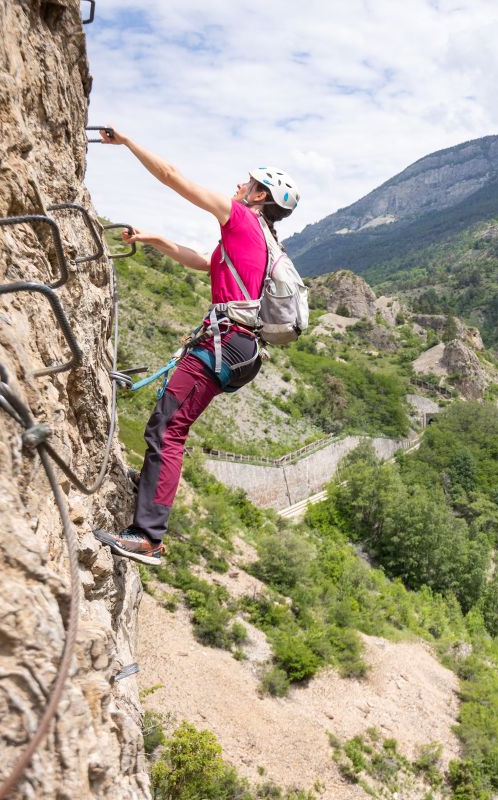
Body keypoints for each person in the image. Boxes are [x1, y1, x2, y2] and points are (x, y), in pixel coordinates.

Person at [93, 128, 299, 565]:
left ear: (260, 195)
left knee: (168, 428)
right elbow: (204, 262)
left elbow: (172, 176)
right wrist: (153, 239)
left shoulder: (240, 217)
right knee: (168, 424)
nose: (239, 185)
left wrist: (129, 142)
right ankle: (152, 488)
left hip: (224, 344)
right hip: (238, 348)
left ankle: (148, 536)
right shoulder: (261, 238)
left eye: (248, 182)